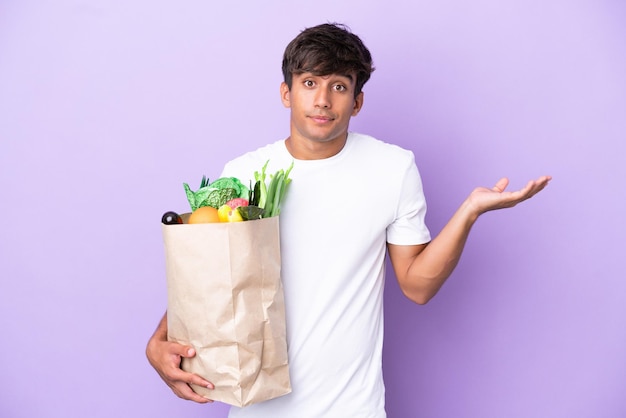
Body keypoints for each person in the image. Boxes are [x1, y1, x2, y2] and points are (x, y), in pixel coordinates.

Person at [146, 22, 551, 417]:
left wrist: (469, 212)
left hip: (353, 407)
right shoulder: (245, 173)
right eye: (309, 83)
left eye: (338, 86)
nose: (323, 100)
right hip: (257, 406)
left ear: (356, 102)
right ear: (286, 93)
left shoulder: (393, 168)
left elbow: (417, 286)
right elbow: (212, 279)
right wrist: (159, 340)